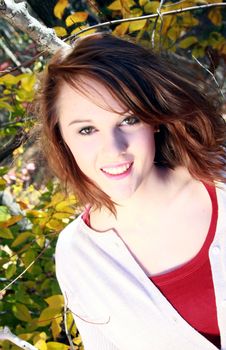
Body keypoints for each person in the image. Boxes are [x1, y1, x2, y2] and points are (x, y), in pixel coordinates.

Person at [37, 32, 226, 350]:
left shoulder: (220, 175)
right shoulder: (78, 257)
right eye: (86, 129)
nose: (114, 149)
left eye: (128, 119)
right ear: (61, 138)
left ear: (153, 118)